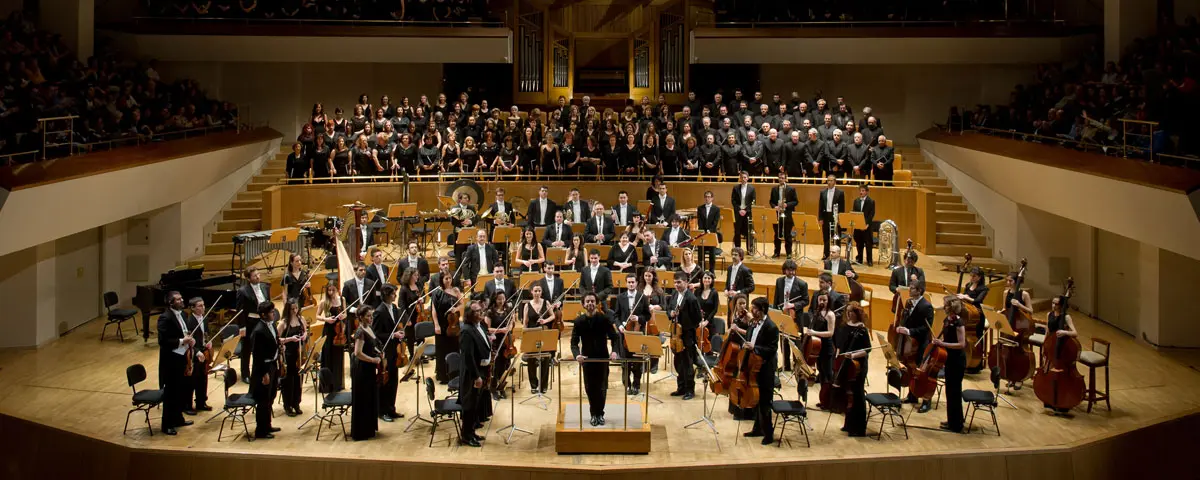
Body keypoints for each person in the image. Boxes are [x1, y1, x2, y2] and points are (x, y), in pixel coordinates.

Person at [570, 292, 622, 426]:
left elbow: (615, 338)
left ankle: (600, 413)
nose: (590, 304)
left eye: (592, 301)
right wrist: (577, 355)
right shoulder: (579, 321)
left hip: (602, 358)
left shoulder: (604, 319)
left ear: (597, 303)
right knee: (589, 388)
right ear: (583, 304)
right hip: (587, 359)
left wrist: (615, 352)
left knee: (602, 387)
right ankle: (593, 413)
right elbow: (574, 343)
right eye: (587, 301)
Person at [741, 297, 780, 445]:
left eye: (755, 308)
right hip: (753, 367)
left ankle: (768, 434)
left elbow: (772, 349)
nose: (752, 310)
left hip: (765, 369)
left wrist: (754, 348)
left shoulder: (771, 327)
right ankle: (757, 429)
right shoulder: (753, 323)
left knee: (765, 402)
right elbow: (750, 339)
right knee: (757, 401)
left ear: (762, 309)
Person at [157, 291, 194, 435]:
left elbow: (185, 331)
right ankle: (167, 425)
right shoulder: (164, 318)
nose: (182, 300)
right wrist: (181, 341)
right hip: (171, 361)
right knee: (171, 393)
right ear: (171, 303)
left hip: (183, 357)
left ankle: (178, 418)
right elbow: (163, 341)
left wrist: (190, 339)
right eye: (178, 299)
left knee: (181, 390)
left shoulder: (183, 314)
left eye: (181, 298)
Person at [896, 280, 934, 413]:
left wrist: (910, 331)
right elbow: (907, 320)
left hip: (921, 344)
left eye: (912, 288)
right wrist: (902, 326)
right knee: (911, 370)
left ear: (919, 290)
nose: (909, 290)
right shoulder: (908, 302)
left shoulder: (926, 306)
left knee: (921, 372)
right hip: (910, 343)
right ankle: (912, 395)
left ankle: (926, 400)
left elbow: (926, 328)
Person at [458, 301, 492, 447]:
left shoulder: (480, 326)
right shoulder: (466, 330)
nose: (480, 313)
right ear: (470, 315)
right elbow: (468, 357)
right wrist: (476, 376)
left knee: (476, 404)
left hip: (482, 370)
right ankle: (466, 436)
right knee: (470, 406)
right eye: (477, 311)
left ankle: (471, 432)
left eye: (480, 310)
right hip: (472, 374)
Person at [665, 271, 703, 400]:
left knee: (687, 364)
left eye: (679, 282)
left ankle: (689, 390)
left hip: (687, 336)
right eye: (675, 282)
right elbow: (669, 308)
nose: (676, 285)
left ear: (686, 282)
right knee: (678, 363)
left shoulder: (691, 299)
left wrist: (683, 322)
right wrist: (671, 313)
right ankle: (680, 388)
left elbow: (697, 318)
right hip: (676, 336)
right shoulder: (675, 294)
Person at [614, 275, 652, 395]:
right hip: (624, 333)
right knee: (625, 361)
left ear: (636, 283)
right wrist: (619, 325)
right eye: (629, 282)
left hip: (637, 333)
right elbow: (616, 315)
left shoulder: (642, 297)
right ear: (626, 283)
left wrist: (639, 318)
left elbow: (647, 315)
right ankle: (627, 385)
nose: (631, 284)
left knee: (637, 361)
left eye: (633, 282)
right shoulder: (620, 297)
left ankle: (636, 384)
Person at [1042, 295, 1079, 414]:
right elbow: (1048, 331)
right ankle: (1049, 398)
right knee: (1048, 372)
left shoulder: (1066, 317)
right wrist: (1044, 345)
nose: (1053, 305)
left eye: (1056, 304)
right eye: (1052, 303)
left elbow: (1075, 333)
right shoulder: (1049, 315)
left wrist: (1064, 332)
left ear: (1061, 305)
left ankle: (1064, 399)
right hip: (1052, 348)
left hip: (1063, 348)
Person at [372, 285, 405, 422]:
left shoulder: (395, 309)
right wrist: (393, 335)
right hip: (385, 352)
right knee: (384, 382)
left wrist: (401, 334)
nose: (395, 296)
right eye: (392, 294)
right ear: (386, 295)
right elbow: (376, 334)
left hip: (395, 351)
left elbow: (397, 326)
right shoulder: (379, 311)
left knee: (393, 381)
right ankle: (382, 411)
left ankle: (391, 408)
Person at [250, 301, 282, 439]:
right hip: (264, 368)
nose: (273, 314)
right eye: (271, 312)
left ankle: (267, 425)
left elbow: (274, 341)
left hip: (273, 365)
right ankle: (261, 430)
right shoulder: (258, 331)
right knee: (263, 400)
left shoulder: (272, 325)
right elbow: (257, 356)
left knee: (271, 397)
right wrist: (264, 374)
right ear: (263, 315)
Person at [936, 297, 968, 433]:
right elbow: (947, 338)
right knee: (950, 391)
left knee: (955, 391)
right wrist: (939, 341)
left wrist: (943, 344)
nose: (944, 307)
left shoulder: (959, 322)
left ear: (951, 307)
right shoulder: (947, 320)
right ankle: (951, 420)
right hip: (949, 359)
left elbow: (961, 344)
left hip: (957, 361)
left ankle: (957, 424)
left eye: (946, 305)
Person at [839, 304, 871, 437]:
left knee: (857, 395)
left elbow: (867, 349)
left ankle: (859, 428)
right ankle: (848, 423)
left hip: (858, 365)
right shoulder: (846, 326)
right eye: (847, 312)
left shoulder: (862, 329)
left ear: (857, 313)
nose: (848, 314)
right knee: (848, 394)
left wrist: (853, 355)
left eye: (851, 312)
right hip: (846, 363)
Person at [237, 266, 272, 383]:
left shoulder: (265, 287)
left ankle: (264, 371)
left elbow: (269, 304)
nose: (258, 277)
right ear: (248, 278)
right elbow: (240, 311)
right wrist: (242, 327)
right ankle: (245, 374)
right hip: (251, 323)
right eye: (254, 276)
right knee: (246, 349)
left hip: (264, 321)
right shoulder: (243, 291)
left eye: (258, 274)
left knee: (264, 348)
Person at [351, 307, 381, 441]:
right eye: (368, 316)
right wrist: (373, 360)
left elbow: (372, 345)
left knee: (370, 397)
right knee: (363, 398)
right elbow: (357, 353)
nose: (371, 318)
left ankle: (369, 428)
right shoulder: (360, 332)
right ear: (361, 317)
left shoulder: (369, 328)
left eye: (371, 316)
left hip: (369, 368)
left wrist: (379, 353)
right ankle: (362, 431)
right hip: (362, 369)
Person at [774, 259, 809, 373]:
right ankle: (786, 365)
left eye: (793, 270)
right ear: (784, 271)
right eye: (789, 270)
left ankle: (797, 366)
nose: (792, 272)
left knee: (796, 342)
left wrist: (793, 304)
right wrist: (776, 313)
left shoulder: (802, 284)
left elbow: (806, 301)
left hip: (795, 317)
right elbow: (776, 299)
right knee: (783, 340)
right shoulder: (779, 281)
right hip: (783, 315)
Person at [432, 273, 465, 384]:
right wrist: (436, 325)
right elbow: (434, 311)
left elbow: (462, 304)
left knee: (454, 348)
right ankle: (443, 375)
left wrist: (456, 309)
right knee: (442, 351)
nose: (448, 280)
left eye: (450, 278)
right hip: (442, 325)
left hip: (453, 324)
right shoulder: (437, 292)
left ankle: (454, 374)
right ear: (442, 280)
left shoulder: (456, 291)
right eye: (446, 278)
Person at [523, 284, 556, 394]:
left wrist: (545, 321)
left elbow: (553, 316)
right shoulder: (527, 305)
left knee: (545, 359)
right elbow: (525, 323)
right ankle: (534, 385)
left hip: (544, 333)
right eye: (535, 291)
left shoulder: (546, 302)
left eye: (539, 291)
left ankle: (543, 386)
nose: (537, 293)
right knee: (531, 359)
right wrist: (525, 336)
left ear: (541, 292)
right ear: (531, 292)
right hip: (532, 333)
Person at [277, 299, 307, 417]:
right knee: (288, 381)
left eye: (296, 308)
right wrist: (290, 339)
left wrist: (304, 335)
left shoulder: (301, 319)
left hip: (299, 353)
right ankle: (287, 405)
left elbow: (305, 332)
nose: (295, 311)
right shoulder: (283, 323)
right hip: (287, 354)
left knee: (298, 380)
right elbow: (277, 339)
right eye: (292, 309)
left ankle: (296, 403)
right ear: (288, 309)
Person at [183, 297, 213, 414]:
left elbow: (206, 334)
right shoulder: (189, 321)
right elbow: (189, 340)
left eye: (203, 305)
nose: (203, 307)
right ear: (192, 308)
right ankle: (187, 406)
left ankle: (201, 402)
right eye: (200, 306)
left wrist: (208, 342)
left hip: (203, 352)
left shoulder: (204, 319)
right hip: (193, 354)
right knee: (192, 381)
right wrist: (197, 351)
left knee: (203, 379)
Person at [317, 283, 348, 391]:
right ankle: (327, 386)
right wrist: (327, 319)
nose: (330, 293)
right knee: (328, 355)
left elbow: (345, 314)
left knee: (338, 356)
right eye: (329, 290)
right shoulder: (324, 301)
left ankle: (337, 384)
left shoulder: (342, 299)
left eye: (332, 290)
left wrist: (342, 316)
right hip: (329, 331)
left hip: (339, 331)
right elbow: (317, 316)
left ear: (336, 289)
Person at [769, 171, 798, 258]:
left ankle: (788, 253)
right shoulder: (774, 189)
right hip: (777, 215)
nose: (781, 179)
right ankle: (776, 252)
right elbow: (771, 201)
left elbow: (796, 201)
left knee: (787, 235)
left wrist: (787, 205)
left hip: (787, 215)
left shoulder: (791, 189)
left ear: (785, 179)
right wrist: (775, 207)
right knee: (776, 234)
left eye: (782, 178)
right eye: (779, 178)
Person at [817, 174, 846, 259]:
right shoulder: (823, 192)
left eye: (831, 180)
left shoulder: (840, 193)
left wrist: (840, 218)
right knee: (826, 237)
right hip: (826, 216)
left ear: (835, 182)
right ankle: (826, 254)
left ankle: (836, 255)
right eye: (828, 180)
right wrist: (820, 218)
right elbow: (820, 206)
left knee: (836, 237)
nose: (829, 182)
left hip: (836, 217)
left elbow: (842, 207)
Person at [724, 247, 755, 318]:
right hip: (731, 299)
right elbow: (728, 283)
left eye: (736, 255)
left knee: (741, 321)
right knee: (730, 319)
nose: (733, 257)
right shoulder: (729, 268)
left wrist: (738, 292)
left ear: (741, 256)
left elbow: (751, 287)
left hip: (741, 301)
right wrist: (726, 289)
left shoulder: (745, 270)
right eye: (732, 255)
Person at [695, 190, 722, 272]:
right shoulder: (700, 208)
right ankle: (701, 270)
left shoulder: (716, 209)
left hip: (712, 233)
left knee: (712, 253)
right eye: (706, 197)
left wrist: (710, 231)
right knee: (700, 252)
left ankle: (711, 271)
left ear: (712, 198)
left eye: (709, 197)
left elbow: (715, 222)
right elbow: (699, 221)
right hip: (702, 233)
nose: (707, 198)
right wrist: (702, 231)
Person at [851, 184, 876, 265]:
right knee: (859, 243)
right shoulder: (856, 201)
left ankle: (869, 260)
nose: (861, 192)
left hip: (867, 227)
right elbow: (855, 213)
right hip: (858, 226)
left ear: (867, 192)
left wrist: (866, 224)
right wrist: (858, 224)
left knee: (868, 244)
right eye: (860, 191)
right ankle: (859, 259)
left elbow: (871, 214)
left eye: (863, 191)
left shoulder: (871, 201)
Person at [731, 171, 755, 250]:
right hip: (738, 213)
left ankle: (750, 249)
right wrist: (739, 210)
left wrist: (745, 210)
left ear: (748, 178)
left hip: (747, 213)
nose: (743, 179)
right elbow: (733, 201)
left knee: (749, 232)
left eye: (745, 177)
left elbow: (753, 202)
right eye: (742, 177)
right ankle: (738, 249)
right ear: (740, 178)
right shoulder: (735, 188)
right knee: (737, 232)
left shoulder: (752, 188)